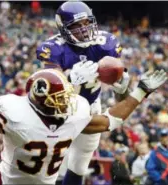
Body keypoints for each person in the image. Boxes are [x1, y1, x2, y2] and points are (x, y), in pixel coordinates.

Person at [0, 68, 167, 184]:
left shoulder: (73, 113)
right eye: (59, 100)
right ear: (41, 102)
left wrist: (141, 91)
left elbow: (110, 120)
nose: (66, 103)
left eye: (66, 97)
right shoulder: (13, 112)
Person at [36, 1, 129, 184]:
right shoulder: (53, 48)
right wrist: (68, 81)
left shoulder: (105, 43)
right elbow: (46, 90)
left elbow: (122, 100)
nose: (84, 29)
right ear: (63, 28)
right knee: (47, 165)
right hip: (59, 109)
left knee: (79, 165)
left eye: (87, 23)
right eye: (76, 26)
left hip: (90, 108)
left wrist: (123, 88)